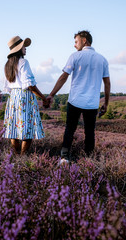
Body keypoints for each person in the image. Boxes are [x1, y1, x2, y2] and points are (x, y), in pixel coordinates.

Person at [47, 30, 110, 164]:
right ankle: (89, 160)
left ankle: (64, 158)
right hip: (92, 103)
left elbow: (64, 77)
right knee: (90, 132)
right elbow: (107, 83)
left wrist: (52, 94)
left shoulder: (75, 56)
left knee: (70, 129)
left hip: (75, 101)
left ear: (84, 40)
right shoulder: (102, 59)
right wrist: (106, 103)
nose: (75, 45)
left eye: (76, 41)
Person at [3, 35, 49, 155]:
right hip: (25, 97)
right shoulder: (23, 62)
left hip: (13, 97)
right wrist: (43, 98)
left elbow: (8, 86)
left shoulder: (7, 65)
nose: (25, 48)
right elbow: (30, 85)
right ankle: (23, 156)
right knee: (27, 128)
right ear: (19, 48)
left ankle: (16, 154)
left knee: (13, 127)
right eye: (23, 46)